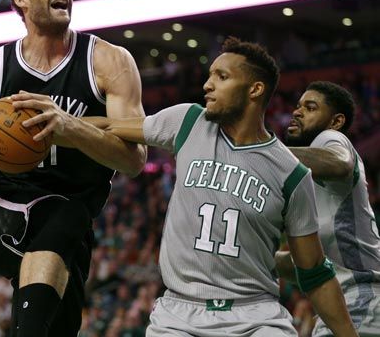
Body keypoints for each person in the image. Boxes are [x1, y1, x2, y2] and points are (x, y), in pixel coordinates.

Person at [87, 37, 358, 336]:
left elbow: (315, 273)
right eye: (210, 75)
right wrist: (59, 123)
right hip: (179, 313)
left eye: (222, 76)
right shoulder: (189, 121)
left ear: (255, 90)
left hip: (256, 316)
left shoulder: (292, 173)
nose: (207, 84)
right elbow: (112, 126)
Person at [0, 0, 146, 337]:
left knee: (59, 323)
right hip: (0, 210)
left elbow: (134, 160)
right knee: (68, 215)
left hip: (67, 227)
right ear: (21, 0)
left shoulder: (109, 61)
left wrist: (68, 128)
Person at [277, 81, 380, 336]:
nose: (297, 112)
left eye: (310, 108)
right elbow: (308, 265)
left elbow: (340, 162)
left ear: (335, 121)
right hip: (339, 312)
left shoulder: (329, 138)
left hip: (363, 306)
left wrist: (267, 154)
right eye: (298, 106)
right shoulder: (306, 182)